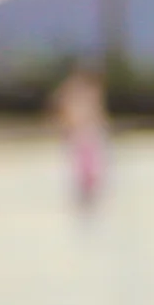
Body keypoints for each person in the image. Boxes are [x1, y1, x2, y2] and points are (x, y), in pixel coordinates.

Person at [49, 62, 109, 208]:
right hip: (79, 131)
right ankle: (85, 190)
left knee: (90, 162)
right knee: (82, 162)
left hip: (87, 130)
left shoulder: (86, 89)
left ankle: (88, 190)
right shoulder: (74, 88)